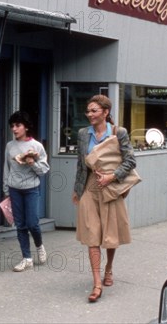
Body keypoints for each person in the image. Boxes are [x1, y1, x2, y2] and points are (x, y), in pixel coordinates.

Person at [72, 95, 137, 302]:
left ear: (105, 112)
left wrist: (112, 176)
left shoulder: (119, 133)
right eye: (88, 111)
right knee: (92, 234)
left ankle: (109, 268)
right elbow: (81, 164)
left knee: (110, 234)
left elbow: (130, 161)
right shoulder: (83, 134)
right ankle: (97, 283)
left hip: (110, 187)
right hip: (90, 187)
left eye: (94, 111)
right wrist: (77, 189)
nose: (89, 114)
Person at [3, 111, 50, 272]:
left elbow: (44, 170)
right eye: (12, 126)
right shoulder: (10, 146)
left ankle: (39, 245)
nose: (14, 129)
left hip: (31, 189)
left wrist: (32, 163)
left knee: (32, 223)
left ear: (26, 127)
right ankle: (26, 258)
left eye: (18, 125)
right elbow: (6, 168)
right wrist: (6, 188)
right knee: (20, 225)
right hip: (14, 189)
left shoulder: (37, 146)